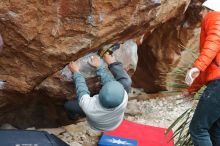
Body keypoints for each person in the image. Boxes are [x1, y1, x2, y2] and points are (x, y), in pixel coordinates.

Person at [65, 53, 132, 132]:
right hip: (115, 123)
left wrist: (76, 72)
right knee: (126, 83)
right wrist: (101, 66)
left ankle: (73, 118)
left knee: (68, 105)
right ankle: (111, 61)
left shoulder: (89, 107)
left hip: (98, 126)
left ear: (100, 93)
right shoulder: (124, 97)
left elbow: (82, 90)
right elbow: (109, 82)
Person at [185, 0, 220, 145]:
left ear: (210, 10)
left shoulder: (215, 18)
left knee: (198, 129)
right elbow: (211, 67)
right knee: (216, 131)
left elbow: (214, 41)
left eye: (203, 9)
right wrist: (191, 89)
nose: (200, 13)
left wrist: (197, 67)